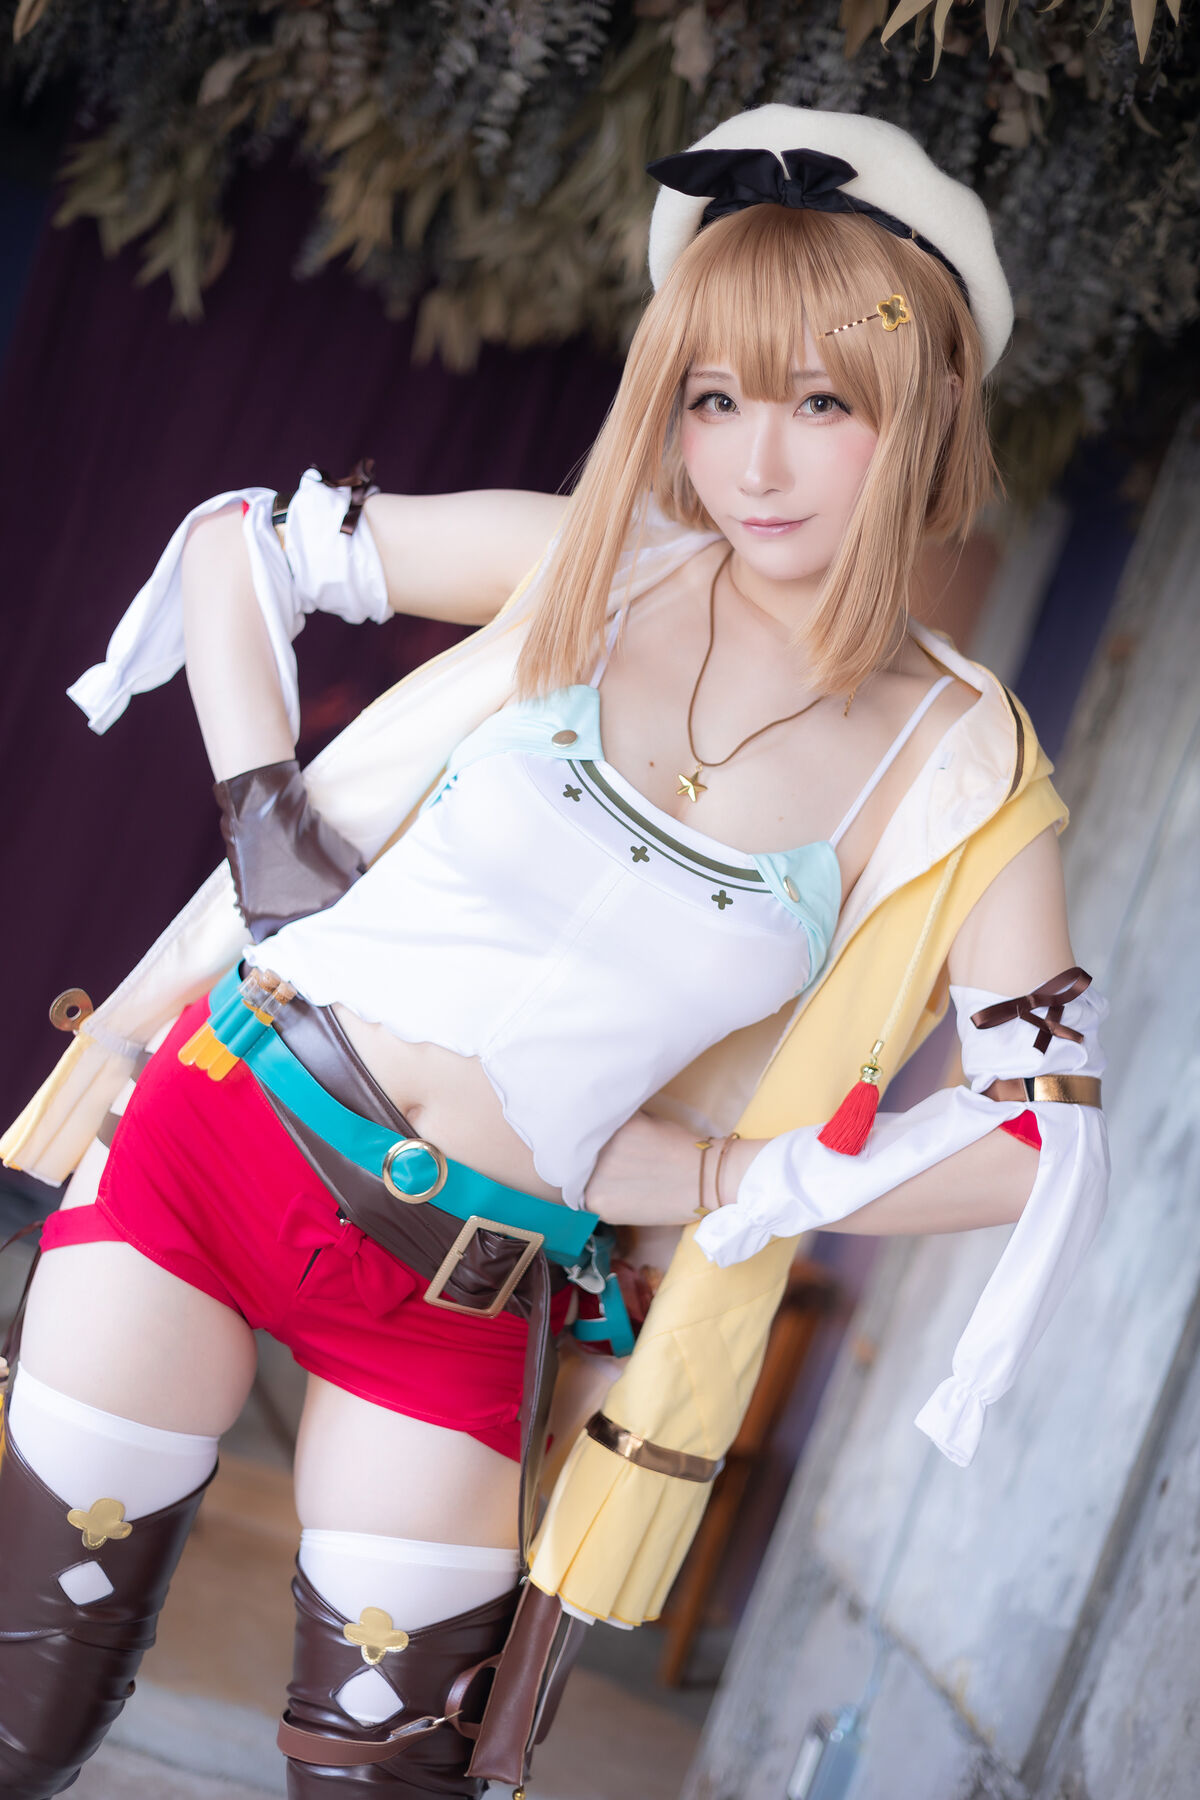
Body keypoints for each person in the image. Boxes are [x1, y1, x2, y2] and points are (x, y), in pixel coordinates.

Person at [0, 104, 1108, 1798]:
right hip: (221, 1142)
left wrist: (738, 1177)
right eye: (714, 398)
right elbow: (239, 545)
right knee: (23, 1722)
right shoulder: (593, 565)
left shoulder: (959, 766)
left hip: (466, 1286)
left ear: (929, 410)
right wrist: (269, 834)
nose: (755, 462)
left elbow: (1039, 1139)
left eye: (822, 403)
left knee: (384, 1778)